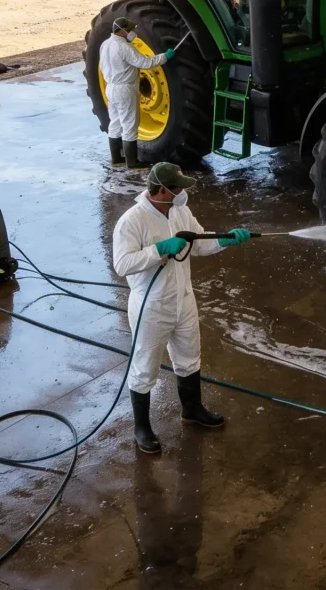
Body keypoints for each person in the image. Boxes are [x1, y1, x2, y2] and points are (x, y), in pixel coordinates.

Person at [113, 162, 251, 453]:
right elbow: (122, 264)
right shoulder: (133, 220)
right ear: (163, 190)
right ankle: (142, 428)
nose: (183, 192)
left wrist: (225, 239)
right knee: (144, 367)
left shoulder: (180, 212)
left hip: (183, 299)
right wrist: (160, 249)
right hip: (151, 306)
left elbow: (199, 244)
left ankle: (192, 410)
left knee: (189, 357)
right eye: (178, 188)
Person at [100, 17, 175, 168]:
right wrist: (165, 57)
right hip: (125, 89)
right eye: (129, 30)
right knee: (129, 124)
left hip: (110, 87)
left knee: (114, 122)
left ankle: (116, 158)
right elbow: (145, 63)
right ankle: (132, 162)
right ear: (121, 31)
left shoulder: (105, 44)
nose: (132, 32)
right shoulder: (124, 47)